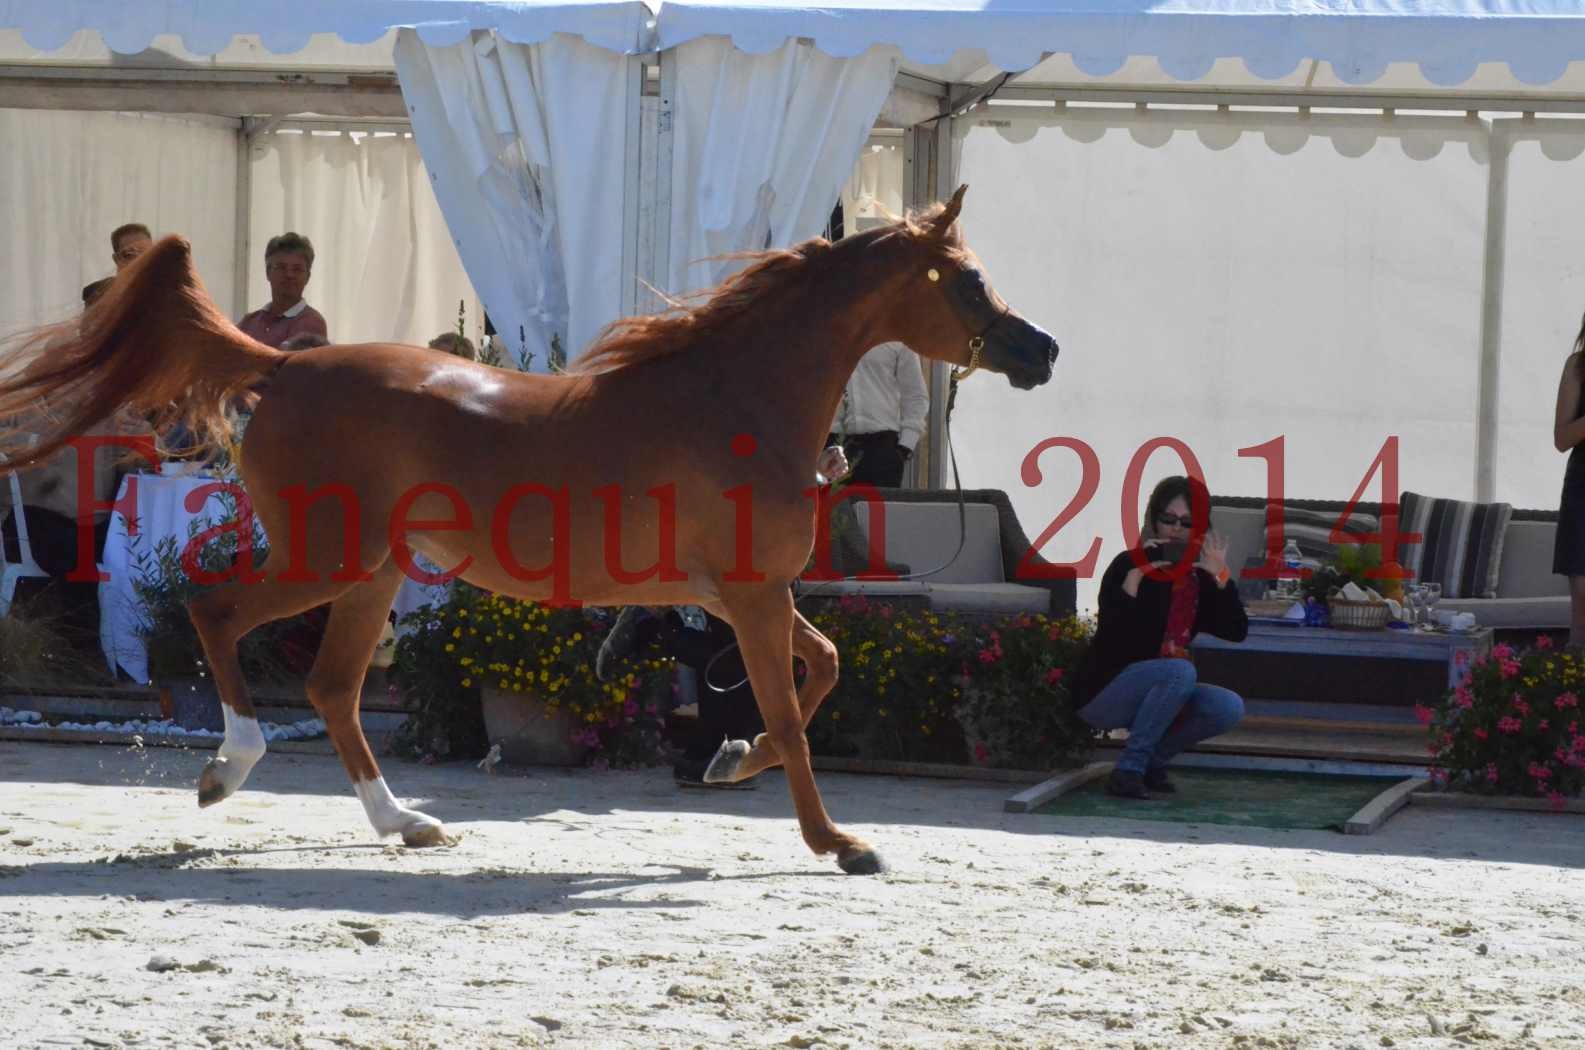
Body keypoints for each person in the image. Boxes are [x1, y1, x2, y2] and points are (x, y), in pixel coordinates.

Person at [1068, 475, 1248, 799]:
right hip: (1106, 692)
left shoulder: (1199, 579)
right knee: (1181, 671)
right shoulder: (1128, 564)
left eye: (1186, 522)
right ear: (1154, 520)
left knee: (1227, 706)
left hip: (1166, 690)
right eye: (1167, 519)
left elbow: (1236, 631)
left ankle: (1151, 763)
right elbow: (1114, 643)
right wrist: (1136, 581)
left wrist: (1221, 576)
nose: (1175, 529)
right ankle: (1129, 771)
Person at [826, 341, 929, 488]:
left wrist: (904, 448)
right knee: (831, 510)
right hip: (832, 447)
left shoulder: (896, 333)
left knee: (879, 510)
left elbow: (915, 395)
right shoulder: (825, 329)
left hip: (881, 449)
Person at [1552, 310, 1585, 648]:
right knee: (1583, 603)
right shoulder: (1577, 366)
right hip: (1582, 493)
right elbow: (1561, 439)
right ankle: (1574, 697)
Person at [238, 233, 328, 349]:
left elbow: (285, 365)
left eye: (297, 269)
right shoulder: (249, 322)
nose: (289, 275)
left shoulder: (312, 323)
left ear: (308, 277)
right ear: (268, 273)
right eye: (281, 267)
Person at [81, 223, 154, 306]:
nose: (138, 259)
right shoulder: (98, 294)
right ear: (116, 259)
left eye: (145, 252)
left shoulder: (167, 289)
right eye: (129, 254)